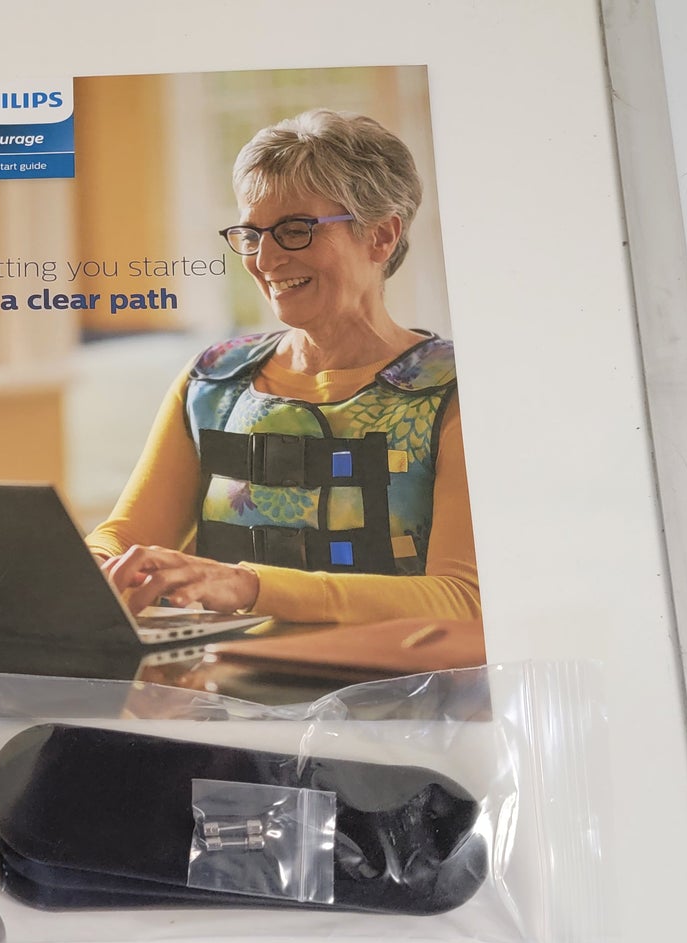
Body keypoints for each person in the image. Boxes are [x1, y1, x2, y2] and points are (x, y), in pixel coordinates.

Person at [89, 109, 478, 624]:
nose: (266, 259)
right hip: (222, 674)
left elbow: (464, 601)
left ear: (380, 236)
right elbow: (125, 537)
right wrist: (92, 564)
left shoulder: (457, 390)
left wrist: (248, 586)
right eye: (252, 235)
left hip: (389, 676)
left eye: (295, 230)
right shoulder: (212, 381)